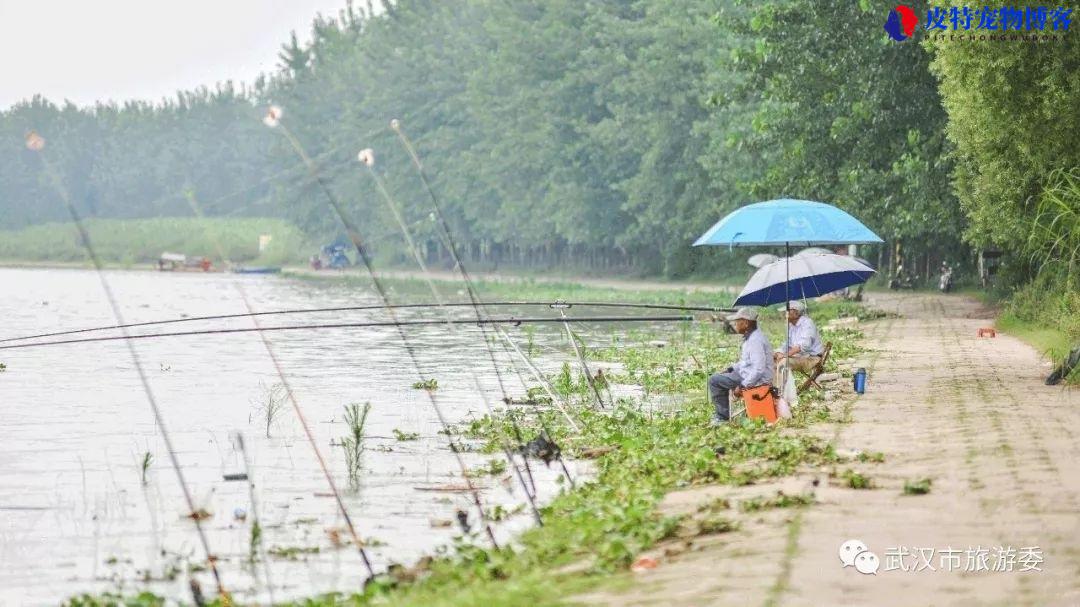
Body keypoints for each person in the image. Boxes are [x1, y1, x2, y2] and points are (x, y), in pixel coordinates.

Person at [708, 307, 774, 425]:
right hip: (747, 374)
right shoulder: (751, 337)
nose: (735, 325)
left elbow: (759, 369)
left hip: (757, 379)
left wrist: (743, 386)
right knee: (718, 376)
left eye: (737, 322)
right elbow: (746, 362)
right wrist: (730, 369)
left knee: (714, 381)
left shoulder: (755, 340)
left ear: (746, 323)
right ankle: (722, 415)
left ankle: (722, 418)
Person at [773, 300, 823, 378]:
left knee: (784, 362)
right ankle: (773, 388)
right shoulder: (791, 326)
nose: (784, 314)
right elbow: (786, 345)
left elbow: (803, 345)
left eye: (787, 311)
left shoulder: (807, 323)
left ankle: (782, 389)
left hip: (812, 358)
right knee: (772, 360)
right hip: (799, 357)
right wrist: (777, 353)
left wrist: (785, 355)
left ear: (796, 312)